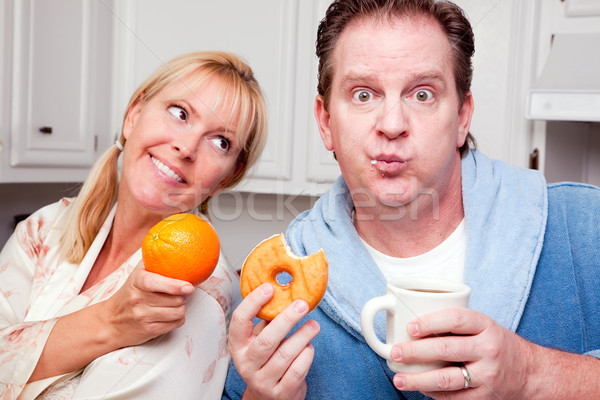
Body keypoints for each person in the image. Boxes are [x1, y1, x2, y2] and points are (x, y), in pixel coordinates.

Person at [223, 0, 600, 399]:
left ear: (462, 117)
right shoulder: (278, 295)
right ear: (326, 122)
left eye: (422, 94)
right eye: (363, 94)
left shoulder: (584, 228)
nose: (392, 125)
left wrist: (531, 375)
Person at [0, 51, 267, 399]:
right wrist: (109, 322)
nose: (186, 148)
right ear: (134, 115)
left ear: (227, 177)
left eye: (221, 142)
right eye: (180, 113)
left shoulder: (197, 293)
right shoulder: (43, 228)